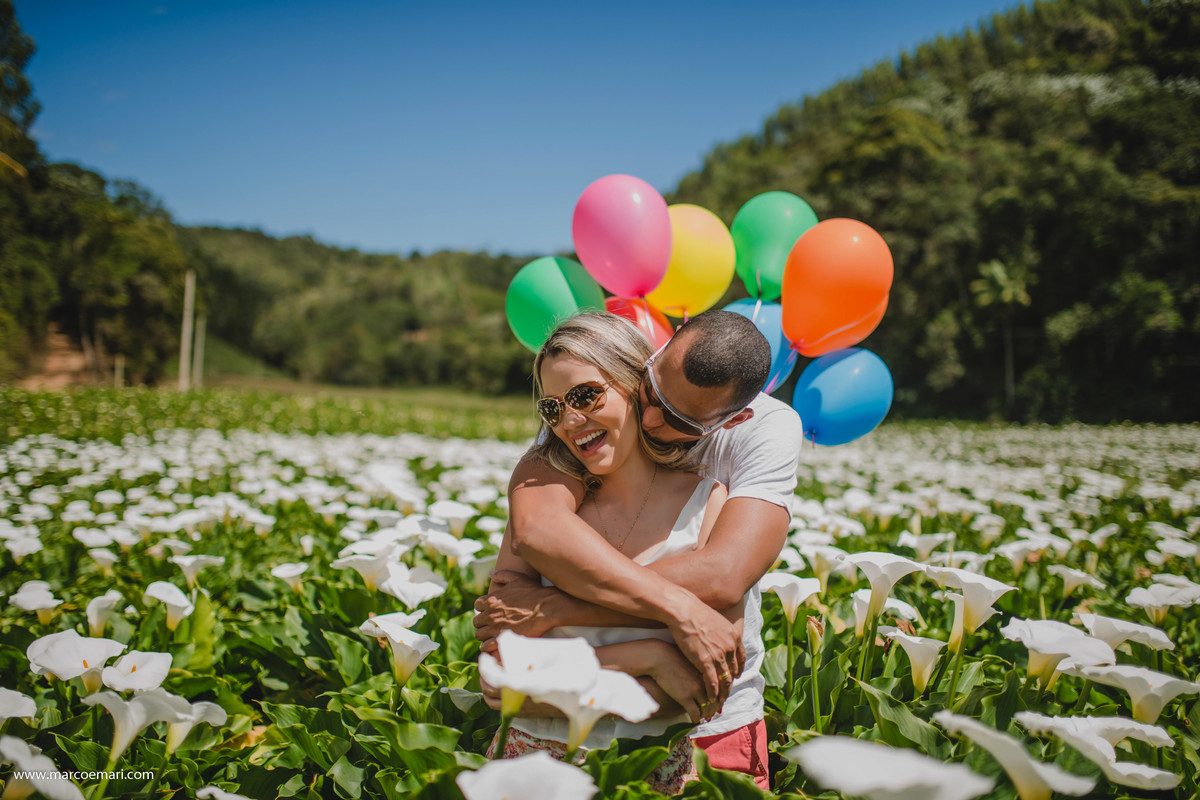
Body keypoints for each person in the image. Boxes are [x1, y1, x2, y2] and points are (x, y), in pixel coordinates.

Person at [475, 308, 804, 790]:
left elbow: (715, 630)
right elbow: (500, 678)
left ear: (734, 419)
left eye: (586, 395)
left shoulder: (719, 486)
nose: (568, 418)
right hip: (534, 766)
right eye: (551, 408)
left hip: (683, 753)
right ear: (644, 371)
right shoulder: (557, 467)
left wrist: (552, 611)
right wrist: (651, 656)